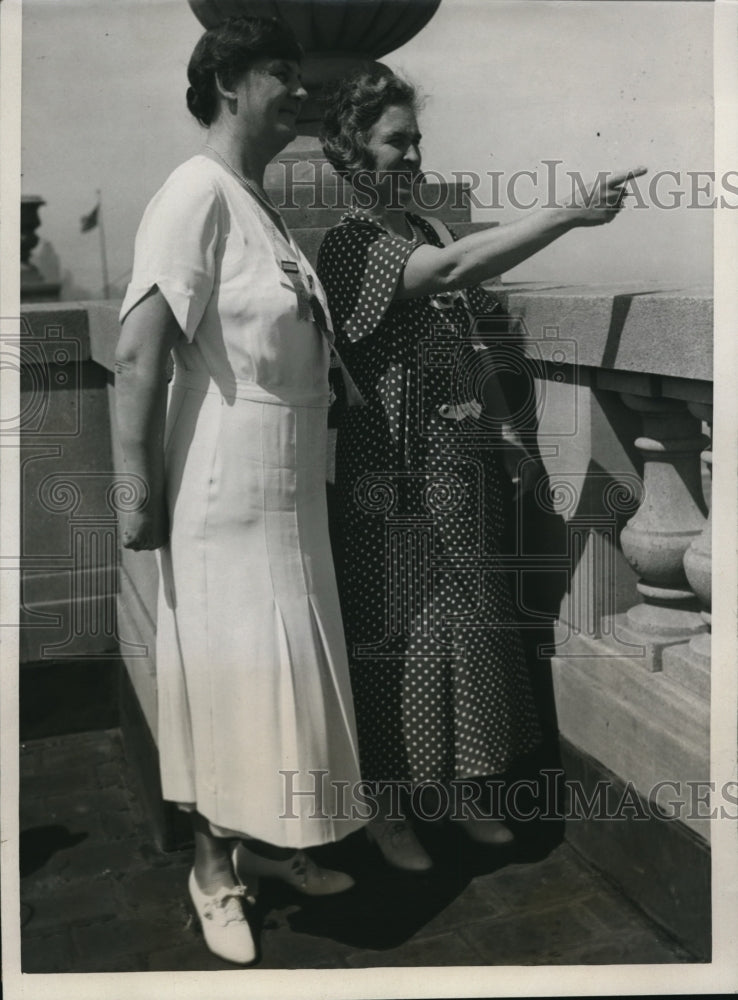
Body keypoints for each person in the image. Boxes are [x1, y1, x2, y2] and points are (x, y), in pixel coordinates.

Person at [317, 69, 646, 872]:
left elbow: (462, 334)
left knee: (469, 628)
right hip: (389, 476)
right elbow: (459, 274)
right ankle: (390, 811)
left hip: (455, 469)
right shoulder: (353, 241)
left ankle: (465, 791)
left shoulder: (422, 229)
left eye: (416, 138)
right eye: (396, 138)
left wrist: (500, 422)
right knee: (398, 634)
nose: (413, 152)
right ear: (351, 150)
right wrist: (567, 213)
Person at [114, 17, 367, 965]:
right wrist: (134, 487)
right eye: (281, 75)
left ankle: (273, 840)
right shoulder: (193, 192)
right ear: (226, 80)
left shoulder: (255, 200)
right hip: (225, 479)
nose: (301, 92)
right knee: (234, 674)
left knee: (288, 667)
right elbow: (139, 353)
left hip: (289, 480)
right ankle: (213, 873)